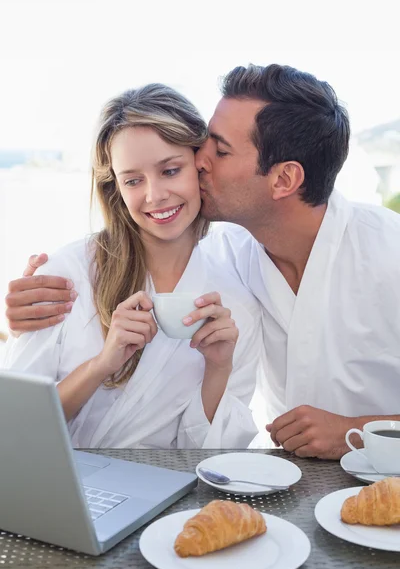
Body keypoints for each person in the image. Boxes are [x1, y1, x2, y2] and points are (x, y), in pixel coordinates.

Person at [6, 64, 400, 460]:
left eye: (219, 150)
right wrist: (31, 302)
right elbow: (16, 424)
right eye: (133, 179)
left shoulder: (386, 251)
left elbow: (211, 439)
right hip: (292, 482)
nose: (201, 160)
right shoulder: (234, 253)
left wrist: (358, 431)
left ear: (283, 180)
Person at [2, 83, 262, 449]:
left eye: (170, 170)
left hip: (171, 496)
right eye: (133, 180)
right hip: (69, 490)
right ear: (116, 189)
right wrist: (101, 365)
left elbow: (211, 456)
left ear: (199, 167)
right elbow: (16, 427)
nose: (154, 195)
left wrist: (218, 369)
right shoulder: (65, 276)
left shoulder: (235, 300)